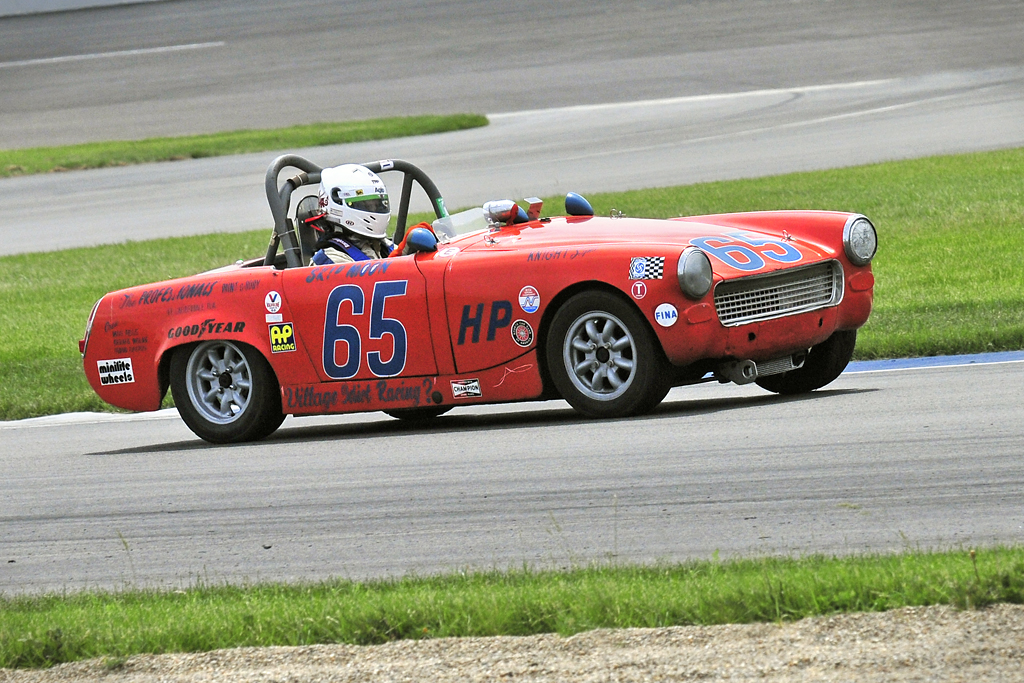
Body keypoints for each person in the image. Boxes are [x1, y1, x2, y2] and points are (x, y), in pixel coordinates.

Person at [303, 164, 396, 265]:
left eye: (377, 204)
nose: (375, 209)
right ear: (338, 203)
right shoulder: (329, 259)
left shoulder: (385, 246)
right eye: (366, 204)